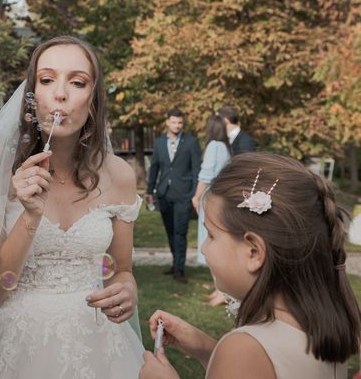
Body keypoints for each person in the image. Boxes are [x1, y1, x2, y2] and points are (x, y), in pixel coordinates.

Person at [0, 36, 145, 379]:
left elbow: (121, 270)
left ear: (93, 100)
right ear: (32, 95)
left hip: (100, 342)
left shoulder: (119, 174)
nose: (60, 94)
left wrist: (126, 289)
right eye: (47, 80)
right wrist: (31, 214)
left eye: (77, 82)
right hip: (16, 343)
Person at [140, 152, 361, 379]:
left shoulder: (244, 349)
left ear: (254, 251)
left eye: (211, 235)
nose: (204, 249)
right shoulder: (321, 325)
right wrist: (206, 349)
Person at [146, 108, 202, 283]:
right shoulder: (159, 143)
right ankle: (175, 263)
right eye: (174, 122)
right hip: (164, 194)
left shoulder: (191, 142)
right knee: (170, 231)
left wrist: (195, 193)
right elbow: (154, 167)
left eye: (180, 123)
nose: (177, 125)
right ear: (167, 122)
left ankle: (179, 270)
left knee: (180, 232)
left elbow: (196, 170)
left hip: (183, 194)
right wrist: (149, 191)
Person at [191, 114, 231, 306]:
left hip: (210, 199)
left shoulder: (213, 146)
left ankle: (221, 292)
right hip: (221, 199)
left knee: (210, 244)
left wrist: (196, 197)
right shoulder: (225, 147)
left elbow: (205, 175)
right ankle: (219, 289)